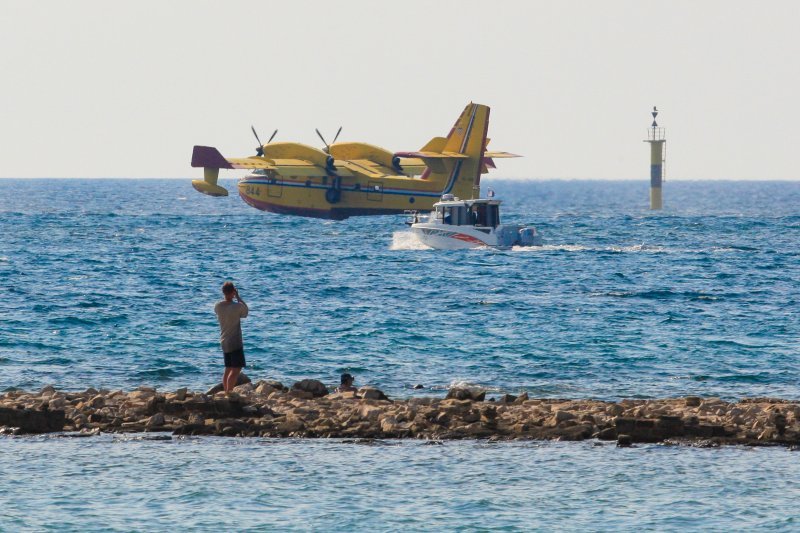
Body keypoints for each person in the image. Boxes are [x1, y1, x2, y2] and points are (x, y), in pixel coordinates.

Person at [214, 281, 249, 393]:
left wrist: (233, 296)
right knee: (236, 369)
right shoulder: (237, 306)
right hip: (235, 342)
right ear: (233, 292)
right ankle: (229, 392)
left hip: (224, 341)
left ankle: (226, 392)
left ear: (223, 292)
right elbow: (245, 312)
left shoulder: (218, 306)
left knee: (228, 368)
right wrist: (238, 297)